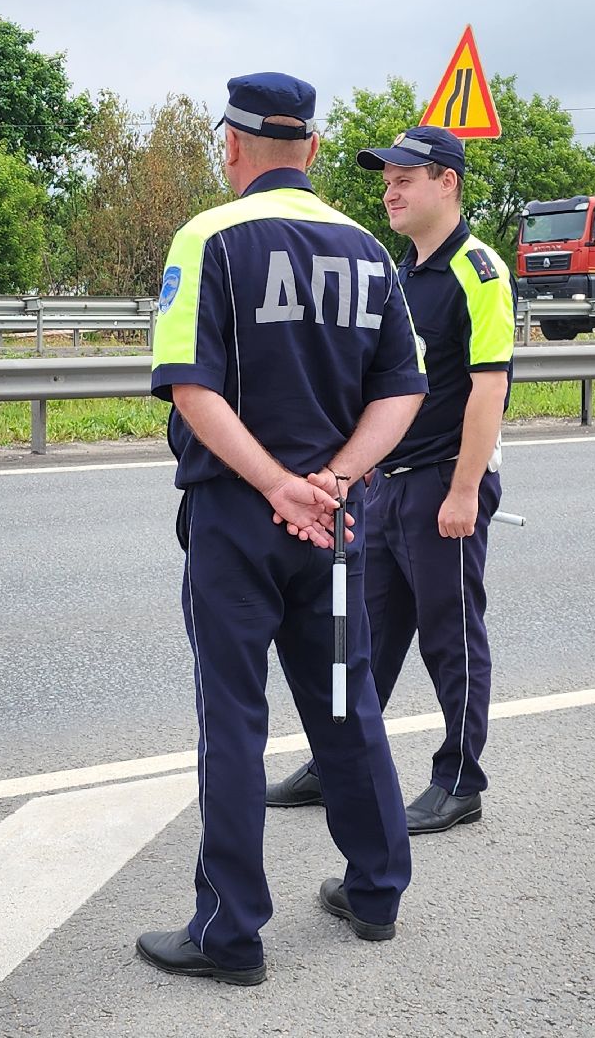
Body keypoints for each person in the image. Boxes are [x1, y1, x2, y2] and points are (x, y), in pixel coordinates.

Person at [135, 73, 428, 986]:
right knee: (346, 703)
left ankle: (229, 936)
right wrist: (331, 481)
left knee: (234, 717)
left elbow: (193, 385)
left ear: (232, 146)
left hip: (238, 519)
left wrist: (272, 484)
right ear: (308, 147)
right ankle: (376, 891)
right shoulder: (366, 248)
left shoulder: (208, 238)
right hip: (336, 523)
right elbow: (402, 390)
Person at [266, 125, 514, 836]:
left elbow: (486, 390)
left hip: (444, 485)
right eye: (386, 178)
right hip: (388, 487)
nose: (391, 189)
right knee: (356, 636)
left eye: (407, 176)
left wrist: (465, 491)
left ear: (448, 183)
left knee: (452, 638)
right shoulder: (397, 274)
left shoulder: (479, 270)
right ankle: (334, 759)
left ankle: (459, 780)